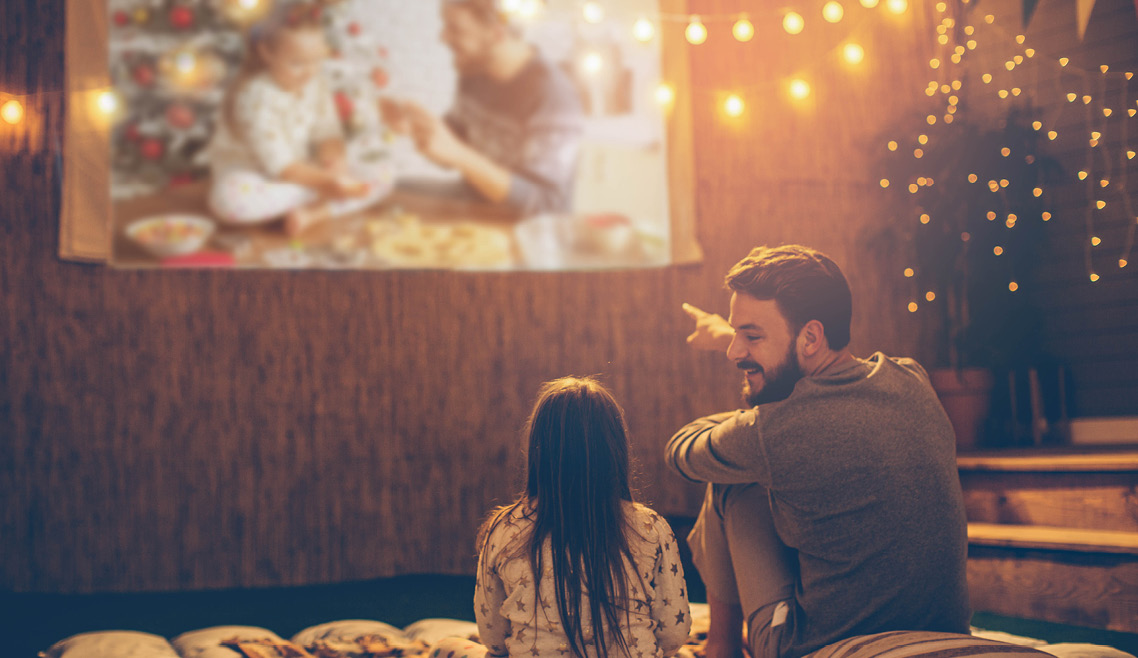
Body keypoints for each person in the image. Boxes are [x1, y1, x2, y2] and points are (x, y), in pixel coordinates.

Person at [667, 245, 970, 658]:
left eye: (751, 336)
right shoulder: (911, 378)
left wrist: (745, 426)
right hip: (945, 632)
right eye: (735, 334)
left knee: (730, 481)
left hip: (815, 647)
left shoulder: (774, 432)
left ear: (811, 337)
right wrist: (738, 344)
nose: (734, 351)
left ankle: (721, 648)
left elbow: (680, 452)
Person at [432, 377, 690, 658]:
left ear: (538, 448)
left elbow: (494, 639)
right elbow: (672, 636)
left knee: (445, 647)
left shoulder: (505, 527)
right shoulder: (652, 527)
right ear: (616, 448)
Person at [380, 0, 583, 216]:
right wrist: (415, 128)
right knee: (387, 193)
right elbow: (452, 149)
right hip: (473, 200)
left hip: (525, 223)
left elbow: (545, 204)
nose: (443, 37)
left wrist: (459, 154)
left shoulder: (553, 95)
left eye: (455, 28)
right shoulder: (474, 71)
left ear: (496, 34)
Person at [207, 1, 390, 236]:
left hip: (301, 171)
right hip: (256, 177)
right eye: (297, 63)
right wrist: (328, 183)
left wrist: (335, 162)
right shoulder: (254, 97)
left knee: (382, 172)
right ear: (266, 52)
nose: (309, 72)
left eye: (317, 60)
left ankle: (313, 213)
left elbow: (327, 132)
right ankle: (321, 198)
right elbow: (281, 166)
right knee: (228, 200)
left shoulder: (315, 82)